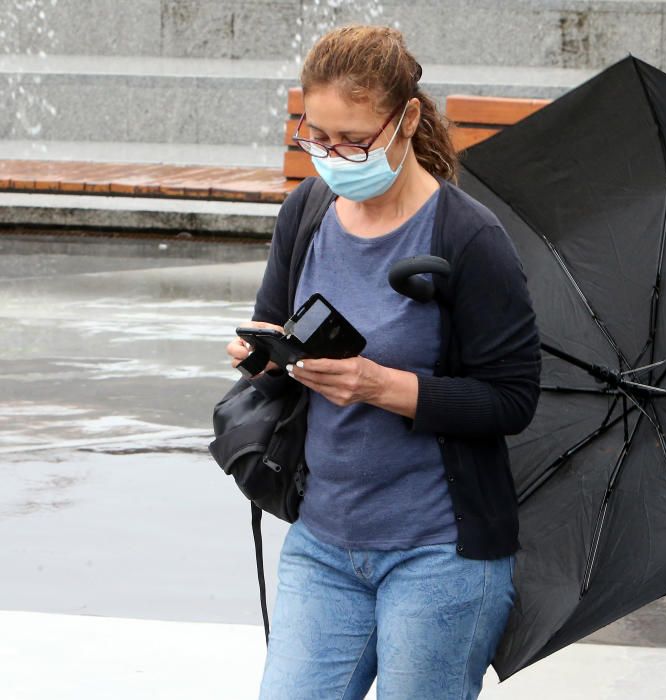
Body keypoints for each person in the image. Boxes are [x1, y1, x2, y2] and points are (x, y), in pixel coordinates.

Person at [224, 24, 542, 700]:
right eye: (316, 136)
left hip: (441, 555)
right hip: (322, 541)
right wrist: (262, 357)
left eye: (352, 140)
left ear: (407, 119)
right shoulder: (306, 211)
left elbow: (512, 400)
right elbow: (276, 333)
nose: (331, 157)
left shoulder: (469, 239)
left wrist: (381, 386)